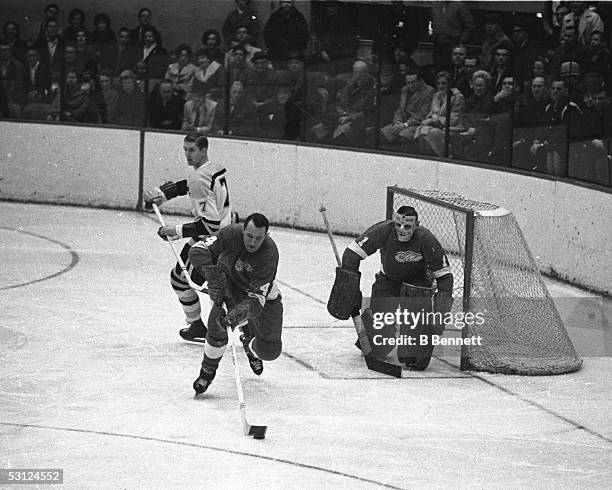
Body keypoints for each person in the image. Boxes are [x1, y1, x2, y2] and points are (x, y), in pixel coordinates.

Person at [327, 206, 453, 370]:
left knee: (414, 357)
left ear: (417, 225)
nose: (401, 230)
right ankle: (371, 333)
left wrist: (439, 315)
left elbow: (445, 278)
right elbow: (352, 253)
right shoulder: (383, 230)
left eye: (407, 226)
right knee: (379, 347)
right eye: (398, 225)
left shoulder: (426, 239)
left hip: (417, 285)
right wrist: (349, 288)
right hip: (388, 279)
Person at [144, 134, 234, 344]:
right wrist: (165, 193)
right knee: (187, 280)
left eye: (192, 150)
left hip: (212, 240)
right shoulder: (212, 168)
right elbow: (191, 185)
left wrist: (175, 230)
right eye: (185, 149)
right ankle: (198, 325)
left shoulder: (200, 177)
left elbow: (210, 225)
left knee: (190, 282)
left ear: (204, 150)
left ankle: (203, 326)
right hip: (222, 234)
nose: (187, 154)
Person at [189, 212, 282, 393]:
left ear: (266, 236)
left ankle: (250, 342)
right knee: (217, 326)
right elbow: (198, 251)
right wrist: (214, 277)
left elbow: (255, 301)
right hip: (228, 284)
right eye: (249, 236)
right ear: (243, 231)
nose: (253, 242)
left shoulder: (270, 254)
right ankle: (207, 373)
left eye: (258, 238)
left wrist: (235, 316)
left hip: (258, 296)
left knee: (270, 350)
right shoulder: (231, 233)